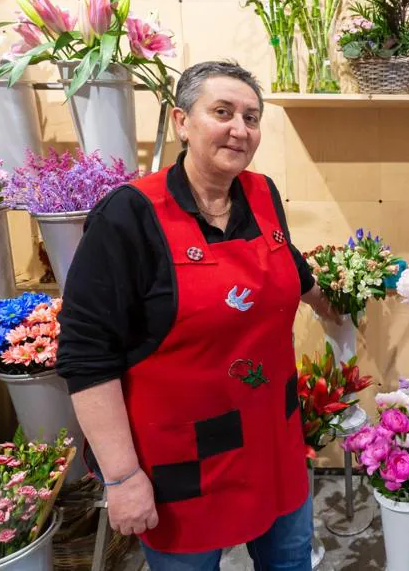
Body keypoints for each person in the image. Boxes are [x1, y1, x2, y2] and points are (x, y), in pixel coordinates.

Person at [56, 60, 338, 571]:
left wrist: (334, 306)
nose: (240, 129)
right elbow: (86, 354)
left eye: (252, 118)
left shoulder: (262, 193)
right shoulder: (129, 215)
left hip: (273, 445)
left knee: (291, 563)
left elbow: (286, 261)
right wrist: (122, 478)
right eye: (222, 112)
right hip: (181, 467)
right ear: (181, 121)